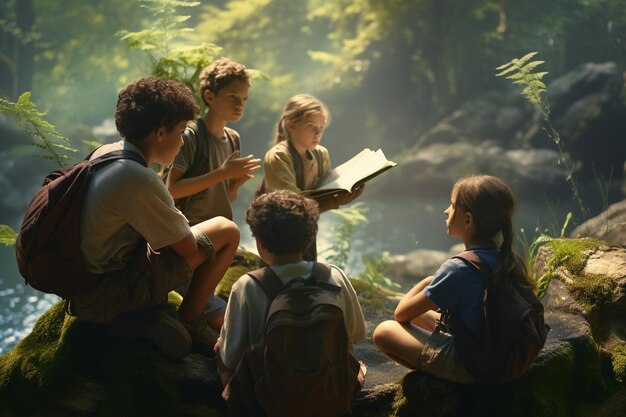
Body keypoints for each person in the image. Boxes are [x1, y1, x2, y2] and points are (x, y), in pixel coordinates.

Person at [69, 77, 240, 358]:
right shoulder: (138, 179)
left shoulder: (108, 153)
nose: (184, 141)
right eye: (182, 131)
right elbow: (186, 248)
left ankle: (136, 318)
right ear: (160, 133)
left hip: (84, 285)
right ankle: (190, 318)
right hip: (107, 293)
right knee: (226, 230)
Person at [372, 174, 536, 383]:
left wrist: (427, 281)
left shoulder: (458, 269)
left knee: (384, 331)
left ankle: (444, 380)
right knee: (421, 316)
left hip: (478, 367)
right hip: (505, 354)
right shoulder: (509, 259)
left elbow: (401, 314)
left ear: (468, 219)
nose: (446, 211)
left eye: (452, 205)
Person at [215, 189, 366, 388]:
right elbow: (356, 334)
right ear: (310, 238)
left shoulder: (247, 285)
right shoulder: (334, 275)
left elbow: (231, 357)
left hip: (273, 394)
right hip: (329, 388)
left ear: (260, 243)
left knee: (220, 351)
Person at [260, 93, 364, 260]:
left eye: (321, 127)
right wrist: (333, 202)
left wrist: (341, 195)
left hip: (306, 230)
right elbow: (291, 207)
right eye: (311, 126)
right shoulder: (279, 156)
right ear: (290, 124)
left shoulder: (321, 154)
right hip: (278, 234)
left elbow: (323, 193)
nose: (318, 133)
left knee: (308, 276)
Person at [165, 57, 261, 225]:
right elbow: (172, 190)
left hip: (220, 229)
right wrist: (223, 173)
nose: (239, 104)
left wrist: (234, 185)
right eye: (232, 96)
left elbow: (226, 198)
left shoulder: (233, 139)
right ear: (209, 96)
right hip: (189, 231)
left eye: (244, 98)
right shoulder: (190, 136)